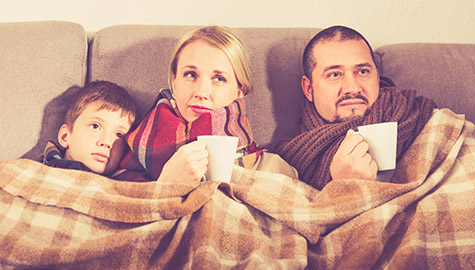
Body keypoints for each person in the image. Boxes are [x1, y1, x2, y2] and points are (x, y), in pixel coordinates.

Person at [275, 25, 437, 190]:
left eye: (362, 72)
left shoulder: (424, 119)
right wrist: (343, 189)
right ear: (309, 89)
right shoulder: (288, 165)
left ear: (377, 78)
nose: (352, 88)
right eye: (335, 74)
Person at [114, 25, 263, 183]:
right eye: (191, 74)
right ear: (175, 82)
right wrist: (165, 183)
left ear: (239, 92)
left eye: (219, 78)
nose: (201, 92)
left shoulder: (269, 168)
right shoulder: (123, 158)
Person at [41, 80, 137, 176]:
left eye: (119, 135)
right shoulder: (36, 170)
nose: (106, 142)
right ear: (65, 136)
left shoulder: (126, 182)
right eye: (95, 126)